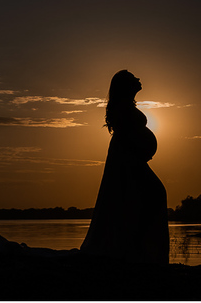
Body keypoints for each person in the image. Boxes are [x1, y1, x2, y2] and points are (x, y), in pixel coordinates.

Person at [80, 70, 169, 263]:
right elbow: (124, 134)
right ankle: (141, 252)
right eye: (133, 77)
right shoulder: (121, 107)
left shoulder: (128, 105)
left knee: (147, 197)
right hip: (126, 161)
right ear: (125, 85)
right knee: (148, 195)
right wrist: (138, 150)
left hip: (132, 159)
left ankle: (144, 251)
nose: (138, 78)